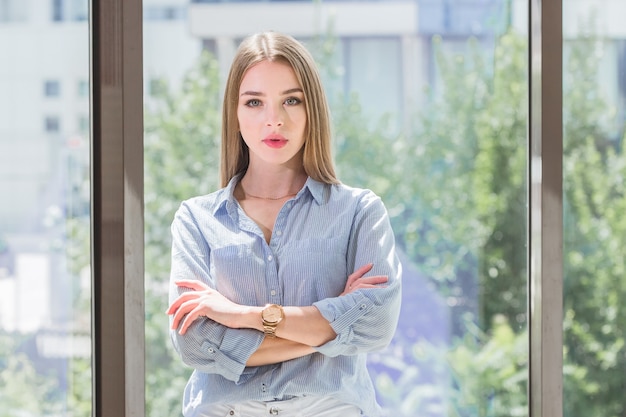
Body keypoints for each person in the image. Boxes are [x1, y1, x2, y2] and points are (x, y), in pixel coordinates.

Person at [166, 31, 402, 417]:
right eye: (255, 102)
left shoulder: (359, 211)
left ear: (313, 111)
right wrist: (331, 327)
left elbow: (375, 324)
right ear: (235, 114)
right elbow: (194, 344)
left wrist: (242, 316)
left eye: (291, 100)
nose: (274, 119)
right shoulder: (196, 219)